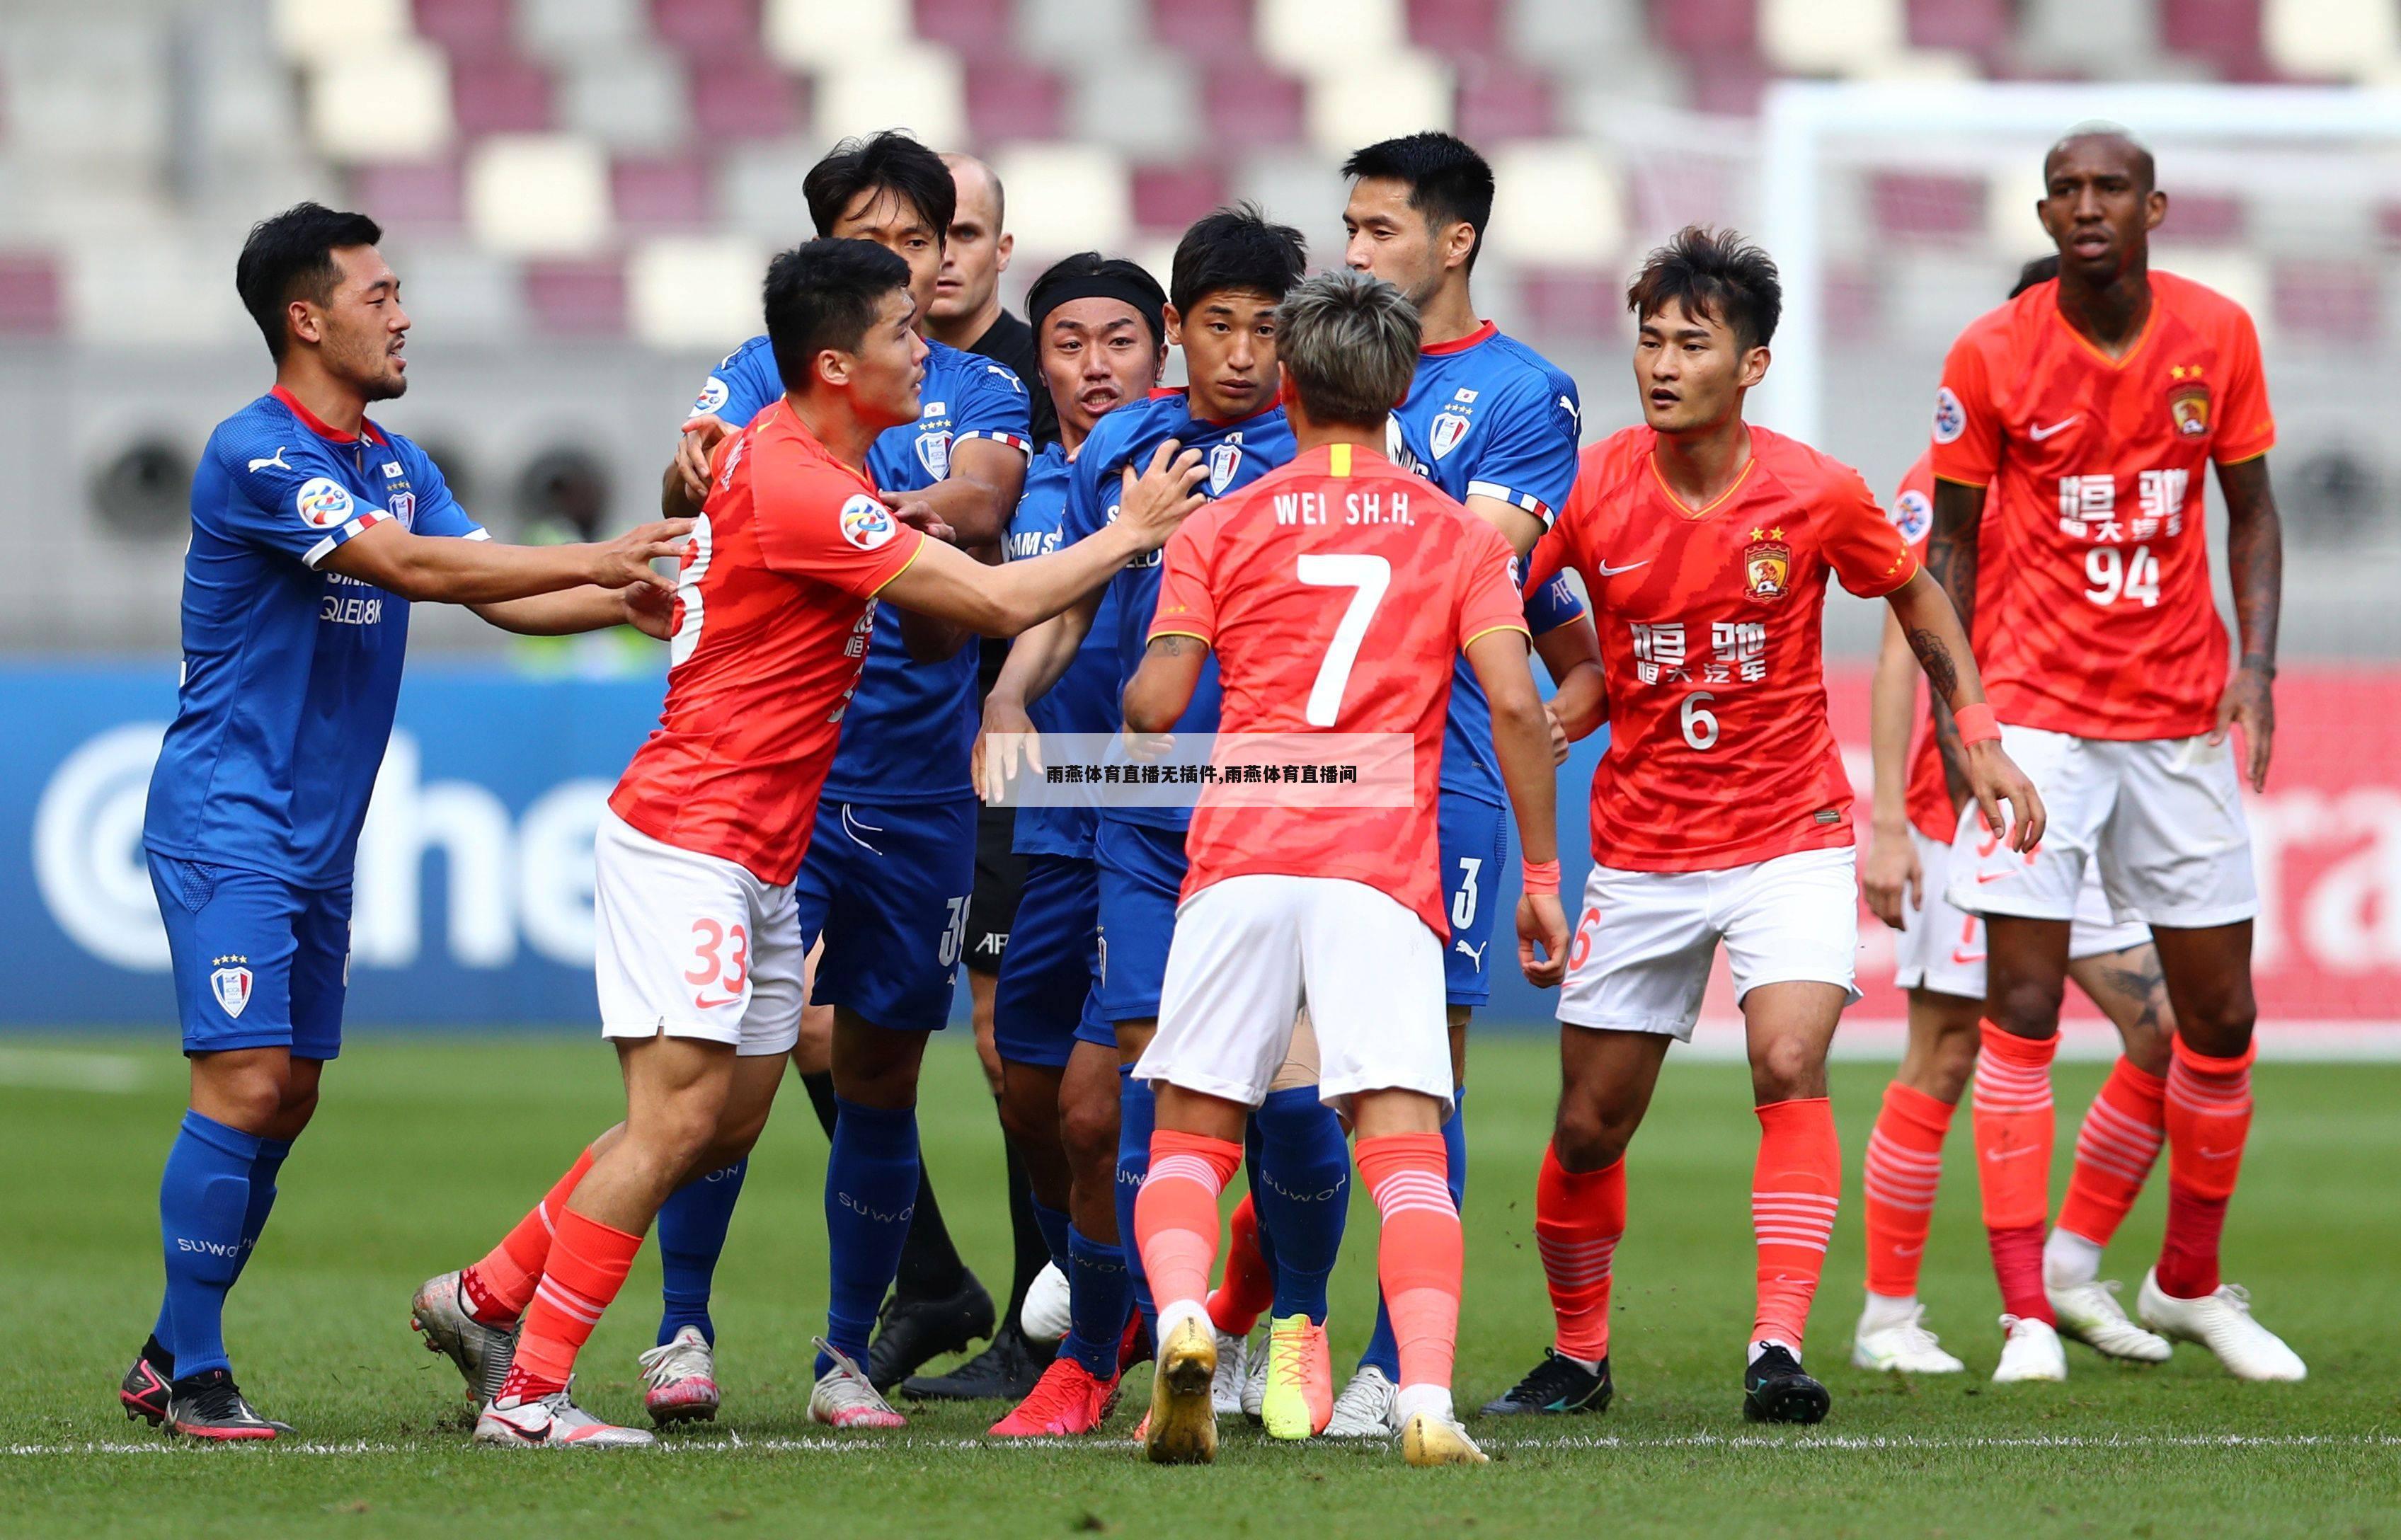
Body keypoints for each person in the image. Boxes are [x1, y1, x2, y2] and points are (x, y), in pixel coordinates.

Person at [410, 236, 1208, 1448]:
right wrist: (1133, 527)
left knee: (718, 1118)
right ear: (836, 362)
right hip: (697, 836)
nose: (925, 353)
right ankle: (527, 1396)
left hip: (759, 850)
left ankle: (485, 1298)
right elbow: (992, 606)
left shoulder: (799, 467)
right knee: (676, 1120)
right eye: (902, 334)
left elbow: (910, 613)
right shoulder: (796, 481)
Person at [122, 202, 691, 1440]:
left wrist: (615, 604)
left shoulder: (393, 462)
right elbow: (418, 572)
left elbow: (493, 593)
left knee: (294, 1092)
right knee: (245, 1080)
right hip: (229, 817)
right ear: (306, 317)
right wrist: (599, 554)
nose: (404, 314)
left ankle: (170, 1347)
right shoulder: (256, 453)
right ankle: (198, 1372)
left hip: (318, 835)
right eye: (379, 296)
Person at [1494, 226, 2042, 1427]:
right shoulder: (1589, 489)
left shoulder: (1816, 491)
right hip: (1641, 846)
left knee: (1788, 1061)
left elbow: (1916, 589)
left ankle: (1776, 1350)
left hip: (1789, 831)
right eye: (1649, 340)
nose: (1662, 363)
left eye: (1693, 343)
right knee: (1588, 1127)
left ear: (1752, 366)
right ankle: (1579, 1356)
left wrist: (1979, 730)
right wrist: (1572, 691)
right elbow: (1507, 588)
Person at [1121, 267, 1567, 1469]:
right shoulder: (1457, 533)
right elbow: (1519, 710)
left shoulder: (1223, 522)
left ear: (1290, 382)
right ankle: (1423, 1399)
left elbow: (1156, 707)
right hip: (1381, 868)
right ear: (1402, 386)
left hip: (1243, 856)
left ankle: (1180, 1322)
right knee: (1408, 1144)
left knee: (1193, 1137)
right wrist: (1537, 869)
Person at [638, 132, 1036, 1420]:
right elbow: (683, 478)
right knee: (722, 1076)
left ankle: (845, 1358)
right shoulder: (761, 366)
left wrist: (882, 517)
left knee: (879, 1070)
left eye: (920, 245)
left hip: (918, 778)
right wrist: (700, 467)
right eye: (874, 244)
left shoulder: (976, 386)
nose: (903, 270)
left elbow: (981, 505)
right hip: (776, 776)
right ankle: (682, 1335)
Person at [1927, 123, 2304, 1382]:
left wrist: (2253, 667)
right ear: (2044, 216)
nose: (2089, 207)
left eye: (2112, 189)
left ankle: (2187, 1283)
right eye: (2069, 191)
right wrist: (1963, 723)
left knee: (2222, 1016)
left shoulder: (2219, 336)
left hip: (2182, 718)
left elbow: (2251, 512)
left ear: (2156, 207)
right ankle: (2030, 1314)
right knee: (2020, 1011)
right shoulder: (1989, 352)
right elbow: (1949, 555)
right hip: (2037, 719)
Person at [1244, 127, 1595, 1439]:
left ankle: (1395, 1358)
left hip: (1433, 769)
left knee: (1414, 1066)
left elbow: (1473, 564)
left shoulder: (1523, 393)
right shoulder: (1325, 366)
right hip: (1286, 767)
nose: (1352, 250)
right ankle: (1286, 1324)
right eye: (1347, 226)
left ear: (1454, 242)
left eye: (1379, 229)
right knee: (1276, 1071)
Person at [979, 207, 1341, 1439]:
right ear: (1178, 331)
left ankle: (1290, 1327)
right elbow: (1079, 596)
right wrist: (1013, 691)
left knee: (1290, 1102)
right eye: (1219, 326)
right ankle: (1097, 1360)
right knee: (1117, 1097)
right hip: (1138, 811)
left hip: (1286, 812)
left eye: (1267, 328)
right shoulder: (1128, 445)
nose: (1242, 354)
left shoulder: (1330, 449)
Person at [1852, 255, 2181, 1380]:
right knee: (1945, 1053)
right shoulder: (1950, 476)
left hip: (2084, 807)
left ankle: (2073, 1272)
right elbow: (1904, 646)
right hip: (1973, 816)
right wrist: (1892, 821)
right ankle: (1889, 1313)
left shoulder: (2121, 479)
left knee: (2162, 1032)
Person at [949, 253, 1179, 1432]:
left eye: (1120, 340)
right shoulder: (1038, 485)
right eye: (1071, 344)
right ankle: (1102, 1282)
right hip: (1052, 812)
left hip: (1171, 812)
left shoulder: (1192, 466)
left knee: (1120, 1096)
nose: (1096, 366)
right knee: (1024, 1077)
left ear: (1164, 345)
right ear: (1037, 362)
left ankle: (1156, 1324)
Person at [899, 152, 1064, 1401]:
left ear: (1001, 250)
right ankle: (932, 1275)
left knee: (1019, 1045)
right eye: (920, 232)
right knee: (828, 1028)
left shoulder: (1038, 369)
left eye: (965, 233)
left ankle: (1044, 1316)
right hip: (883, 753)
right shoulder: (856, 364)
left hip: (1018, 751)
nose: (943, 254)